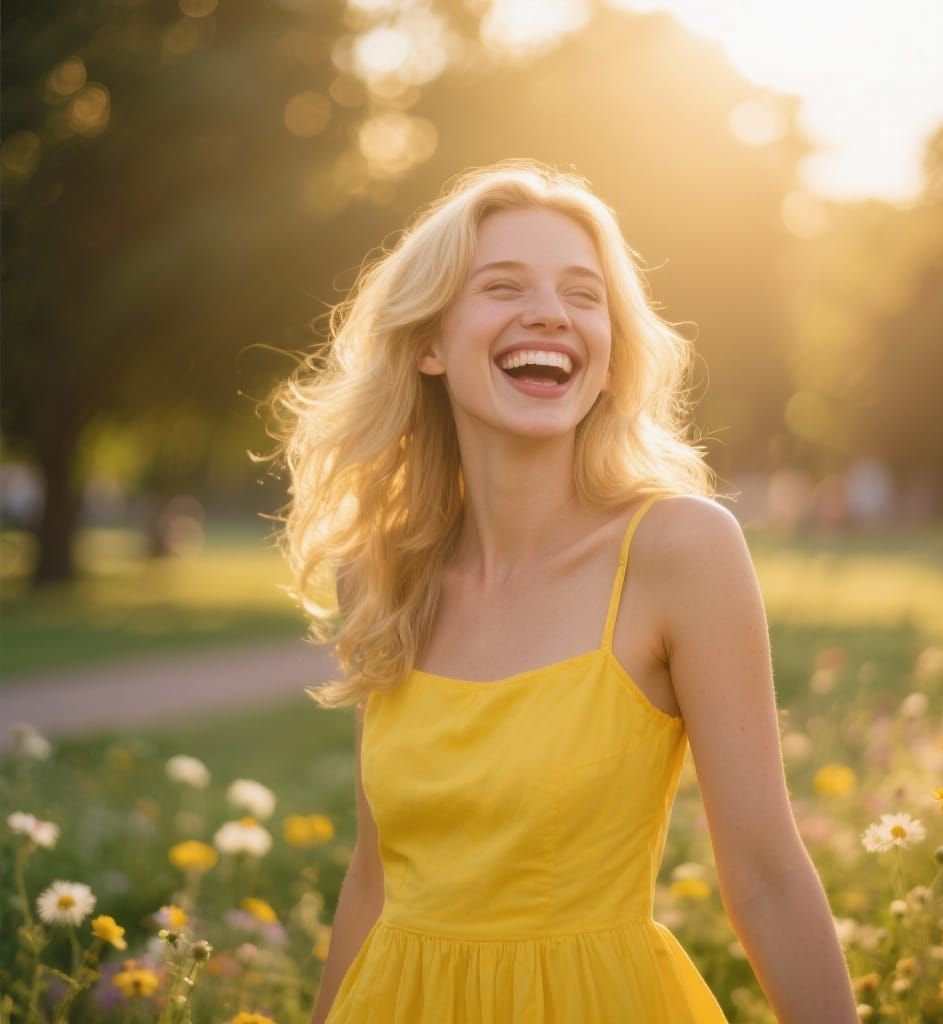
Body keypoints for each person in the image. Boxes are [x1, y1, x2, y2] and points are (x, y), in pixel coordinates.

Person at [267, 160, 859, 1023]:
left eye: (584, 295)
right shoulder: (383, 572)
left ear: (611, 356)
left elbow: (767, 878)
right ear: (428, 344)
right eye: (503, 286)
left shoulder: (680, 551)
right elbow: (373, 879)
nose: (550, 313)